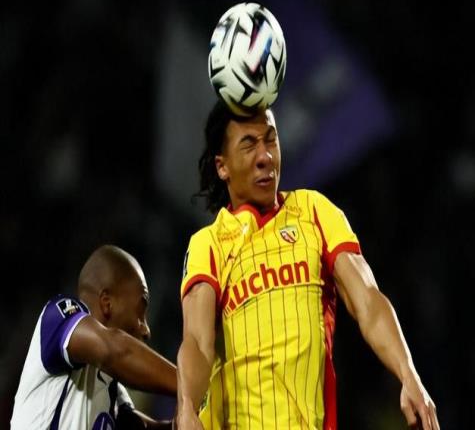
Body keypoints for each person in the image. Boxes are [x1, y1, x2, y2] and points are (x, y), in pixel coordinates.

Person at [176, 101, 440, 430]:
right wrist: (186, 409)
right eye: (248, 144)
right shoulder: (208, 243)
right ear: (222, 166)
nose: (265, 156)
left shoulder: (315, 212)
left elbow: (368, 300)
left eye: (271, 140)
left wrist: (408, 373)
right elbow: (197, 341)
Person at [11, 244, 177, 429]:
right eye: (140, 310)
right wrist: (188, 385)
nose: (146, 329)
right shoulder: (58, 318)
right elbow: (114, 351)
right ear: (107, 303)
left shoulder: (110, 389)